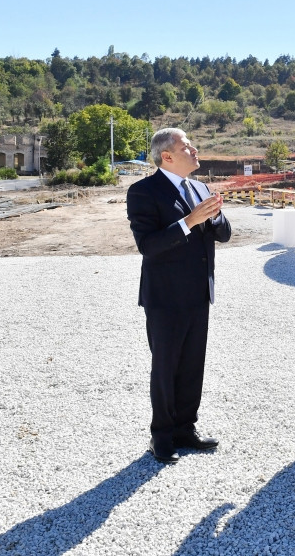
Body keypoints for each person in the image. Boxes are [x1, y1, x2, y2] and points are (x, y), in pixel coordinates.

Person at [126, 128, 232, 464]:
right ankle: (162, 437)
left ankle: (186, 428)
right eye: (187, 145)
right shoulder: (143, 191)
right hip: (165, 297)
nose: (195, 148)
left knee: (191, 365)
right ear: (167, 156)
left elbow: (225, 234)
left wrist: (215, 216)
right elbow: (149, 246)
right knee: (165, 366)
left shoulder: (199, 187)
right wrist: (190, 221)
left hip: (199, 292)